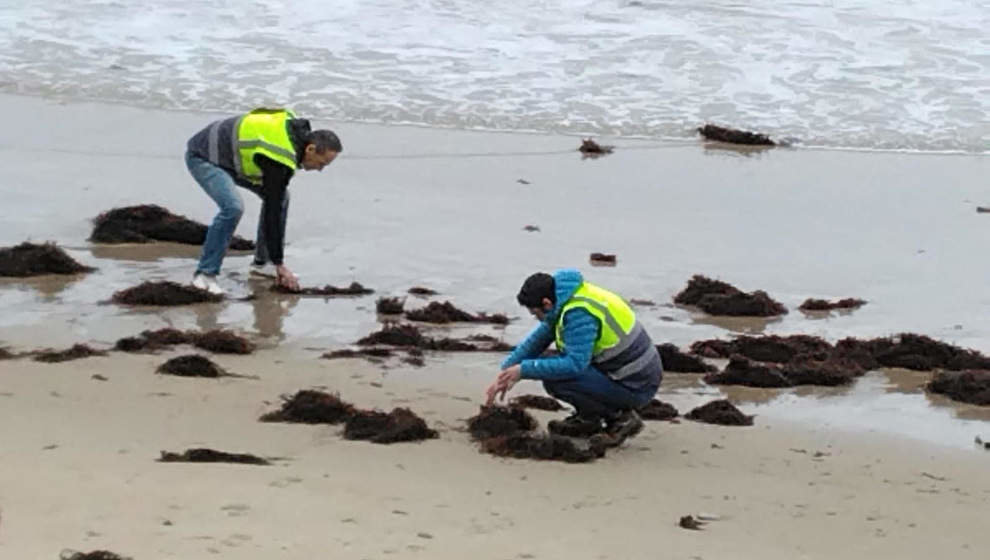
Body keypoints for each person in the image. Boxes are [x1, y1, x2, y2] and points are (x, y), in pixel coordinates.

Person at [486, 269, 663, 445]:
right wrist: (506, 370)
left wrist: (523, 370)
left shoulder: (579, 314)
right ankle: (588, 419)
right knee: (553, 368)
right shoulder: (566, 296)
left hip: (637, 384)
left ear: (546, 303)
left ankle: (620, 418)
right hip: (627, 373)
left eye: (535, 313)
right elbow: (539, 338)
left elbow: (574, 365)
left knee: (557, 379)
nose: (537, 319)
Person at [184, 107, 342, 294]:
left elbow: (274, 200)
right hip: (204, 156)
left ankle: (262, 263)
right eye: (321, 163)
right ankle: (204, 275)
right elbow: (271, 212)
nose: (320, 169)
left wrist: (275, 262)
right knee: (233, 208)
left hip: (232, 158)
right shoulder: (279, 156)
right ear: (310, 149)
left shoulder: (294, 140)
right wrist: (280, 264)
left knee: (282, 196)